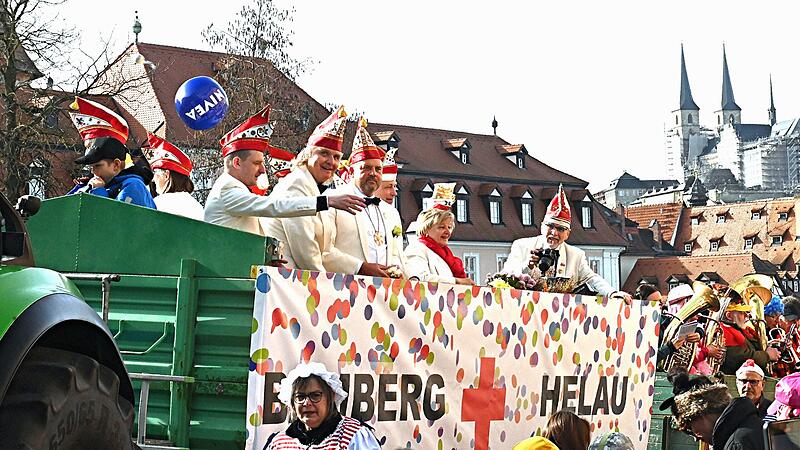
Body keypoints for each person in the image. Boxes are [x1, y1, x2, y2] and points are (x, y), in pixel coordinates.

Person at [204, 106, 363, 236]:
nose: (262, 170)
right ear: (237, 163)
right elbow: (273, 206)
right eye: (257, 163)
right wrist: (327, 201)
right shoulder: (226, 190)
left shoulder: (234, 190)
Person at [502, 184, 631, 301]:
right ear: (542, 226)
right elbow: (506, 277)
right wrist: (527, 266)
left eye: (560, 229)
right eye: (550, 226)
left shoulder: (576, 255)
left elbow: (591, 279)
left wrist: (612, 293)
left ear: (568, 234)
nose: (554, 233)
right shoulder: (522, 246)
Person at [325, 119, 405, 277]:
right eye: (366, 168)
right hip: (345, 290)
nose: (373, 173)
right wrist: (360, 267)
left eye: (378, 169)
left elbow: (396, 254)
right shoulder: (332, 200)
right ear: (352, 171)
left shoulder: (390, 211)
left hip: (385, 293)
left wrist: (397, 270)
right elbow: (324, 251)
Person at [265, 362, 380, 449]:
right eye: (300, 397)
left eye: (315, 395)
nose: (307, 403)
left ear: (330, 397)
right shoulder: (280, 442)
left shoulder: (353, 436)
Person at [67, 97, 156, 209]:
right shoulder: (102, 184)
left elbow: (114, 221)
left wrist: (98, 191)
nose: (93, 171)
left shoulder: (132, 186)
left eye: (97, 165)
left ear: (116, 165)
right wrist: (83, 188)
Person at [665, 370, 764, 449]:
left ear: (700, 413)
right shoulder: (752, 426)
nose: (696, 438)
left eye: (690, 429)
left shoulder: (738, 443)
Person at [403, 184, 475, 285]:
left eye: (449, 227)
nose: (447, 232)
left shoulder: (446, 254)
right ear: (426, 228)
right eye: (441, 227)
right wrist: (456, 281)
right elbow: (419, 278)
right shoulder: (416, 249)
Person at [147, 132, 204, 220]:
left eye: (156, 173)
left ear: (166, 175)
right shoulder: (197, 206)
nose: (153, 180)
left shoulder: (159, 203)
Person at [721, 297, 779, 375]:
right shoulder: (724, 331)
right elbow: (738, 358)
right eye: (742, 312)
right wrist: (767, 355)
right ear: (729, 316)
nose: (746, 315)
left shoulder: (742, 329)